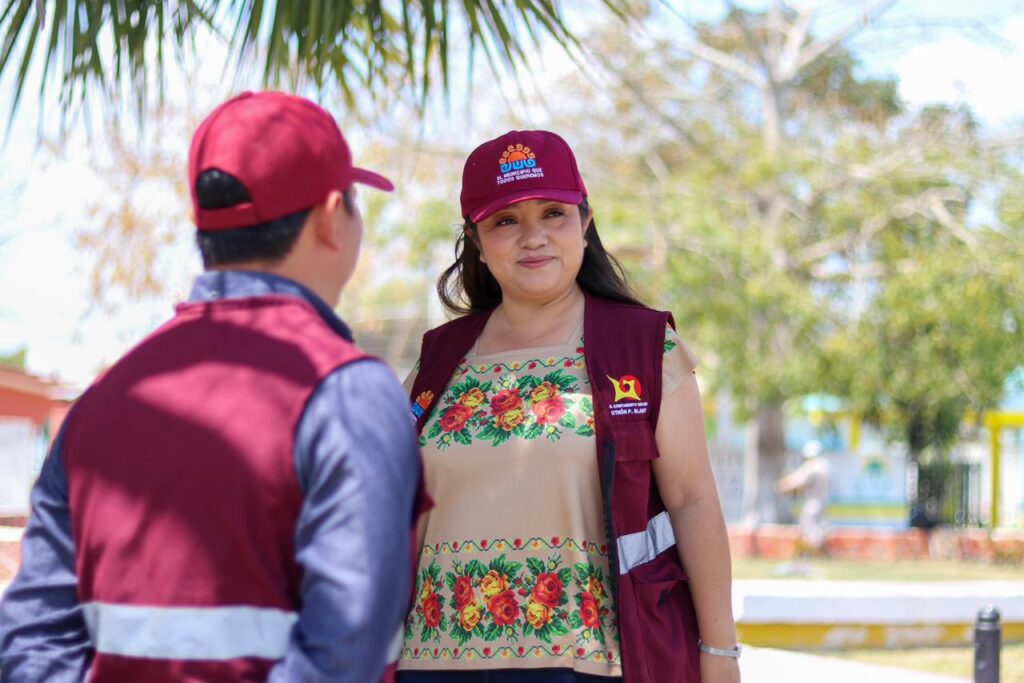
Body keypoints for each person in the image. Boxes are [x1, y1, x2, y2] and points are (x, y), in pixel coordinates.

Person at [0, 91, 422, 682]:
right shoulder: (349, 392)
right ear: (332, 217)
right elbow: (342, 654)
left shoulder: (101, 402)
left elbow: (31, 638)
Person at [397, 131, 739, 683]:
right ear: (476, 241)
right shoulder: (436, 360)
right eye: (505, 221)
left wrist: (720, 652)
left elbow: (693, 500)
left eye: (552, 213)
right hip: (432, 663)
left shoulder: (645, 348)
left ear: (584, 222)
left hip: (587, 664)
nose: (533, 237)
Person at [777, 440, 831, 554]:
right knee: (816, 525)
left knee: (809, 525)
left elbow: (798, 480)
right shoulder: (824, 465)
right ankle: (816, 550)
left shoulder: (814, 466)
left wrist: (784, 484)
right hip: (821, 501)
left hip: (813, 501)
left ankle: (815, 551)